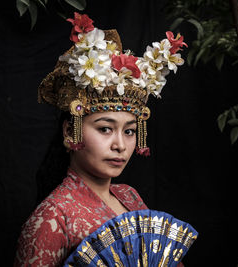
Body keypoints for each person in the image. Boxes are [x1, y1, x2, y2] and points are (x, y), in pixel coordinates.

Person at [14, 12, 193, 266]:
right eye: (105, 129)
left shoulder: (130, 197)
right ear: (69, 131)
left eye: (129, 131)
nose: (120, 145)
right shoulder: (51, 219)